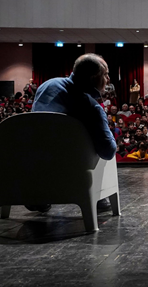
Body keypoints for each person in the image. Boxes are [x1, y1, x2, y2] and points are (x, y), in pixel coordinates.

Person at [31, 53, 117, 212]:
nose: (108, 79)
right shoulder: (92, 108)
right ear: (93, 78)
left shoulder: (47, 85)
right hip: (70, 172)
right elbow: (108, 151)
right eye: (105, 74)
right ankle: (95, 196)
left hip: (29, 166)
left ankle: (39, 192)